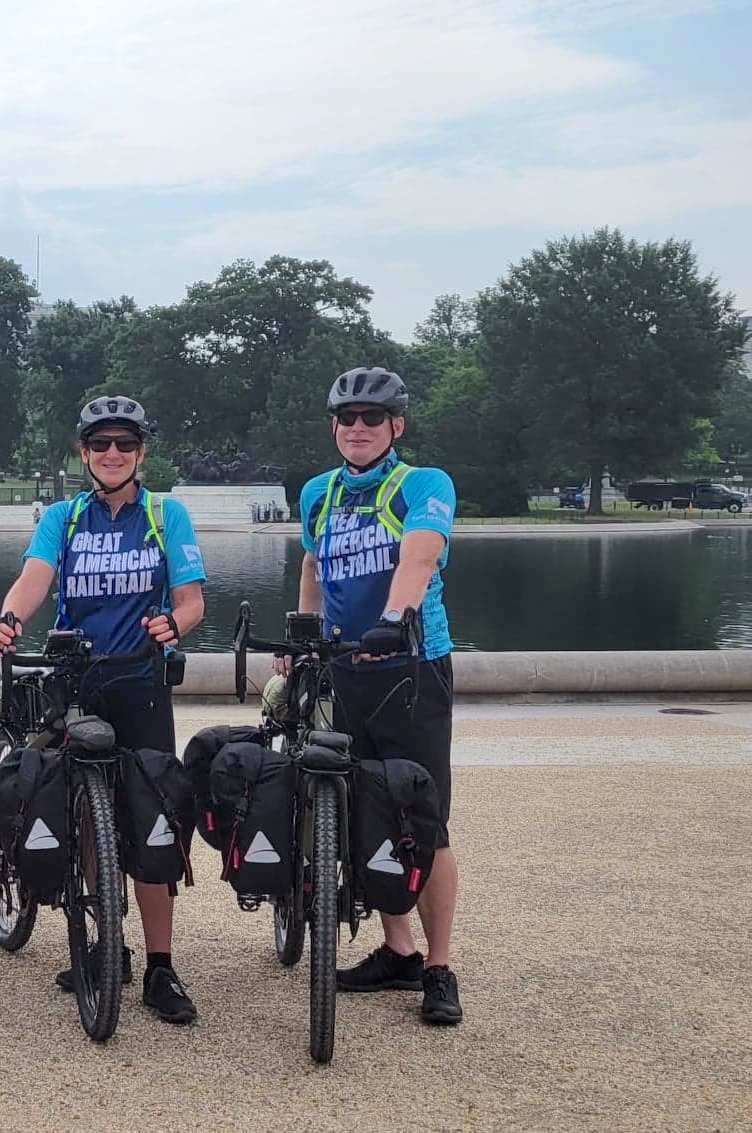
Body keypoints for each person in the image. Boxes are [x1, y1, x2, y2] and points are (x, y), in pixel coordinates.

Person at [0, 395, 207, 1025]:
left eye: (125, 445)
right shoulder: (65, 516)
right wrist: (11, 618)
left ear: (141, 453)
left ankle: (161, 965)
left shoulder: (167, 514)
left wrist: (173, 625)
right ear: (83, 453)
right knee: (82, 816)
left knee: (153, 820)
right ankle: (107, 938)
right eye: (101, 444)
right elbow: (35, 575)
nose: (113, 454)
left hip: (141, 681)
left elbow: (192, 601)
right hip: (75, 682)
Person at [287, 366, 462, 1025]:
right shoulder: (317, 493)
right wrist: (301, 632)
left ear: (396, 426)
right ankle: (399, 950)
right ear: (333, 426)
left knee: (425, 822)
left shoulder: (421, 483)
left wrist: (391, 621)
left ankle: (440, 967)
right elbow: (311, 562)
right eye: (346, 418)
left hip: (411, 670)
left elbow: (418, 554)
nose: (356, 428)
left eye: (371, 417)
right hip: (344, 673)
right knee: (366, 814)